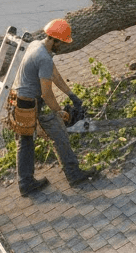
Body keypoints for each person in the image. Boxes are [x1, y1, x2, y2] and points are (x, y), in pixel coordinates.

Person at [12, 19, 98, 196]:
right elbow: (46, 93)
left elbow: (53, 73)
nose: (63, 46)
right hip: (31, 102)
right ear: (54, 40)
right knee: (59, 134)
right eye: (62, 43)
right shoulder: (43, 57)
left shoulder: (37, 45)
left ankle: (25, 183)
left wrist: (71, 94)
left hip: (19, 99)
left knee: (25, 141)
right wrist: (58, 112)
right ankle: (74, 174)